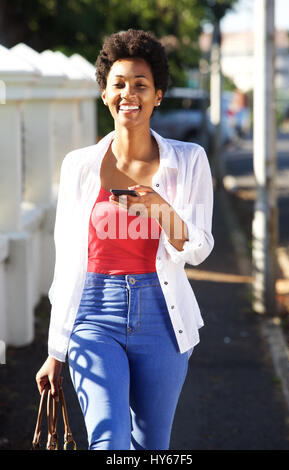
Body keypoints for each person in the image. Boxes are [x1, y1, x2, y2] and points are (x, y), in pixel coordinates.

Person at [36, 28, 214, 450]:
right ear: (104, 94)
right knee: (108, 441)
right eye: (118, 84)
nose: (128, 93)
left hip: (162, 314)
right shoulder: (79, 166)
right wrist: (55, 349)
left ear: (158, 95)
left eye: (140, 85)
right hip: (94, 315)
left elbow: (200, 248)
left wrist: (161, 210)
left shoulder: (188, 161)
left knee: (152, 448)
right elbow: (67, 261)